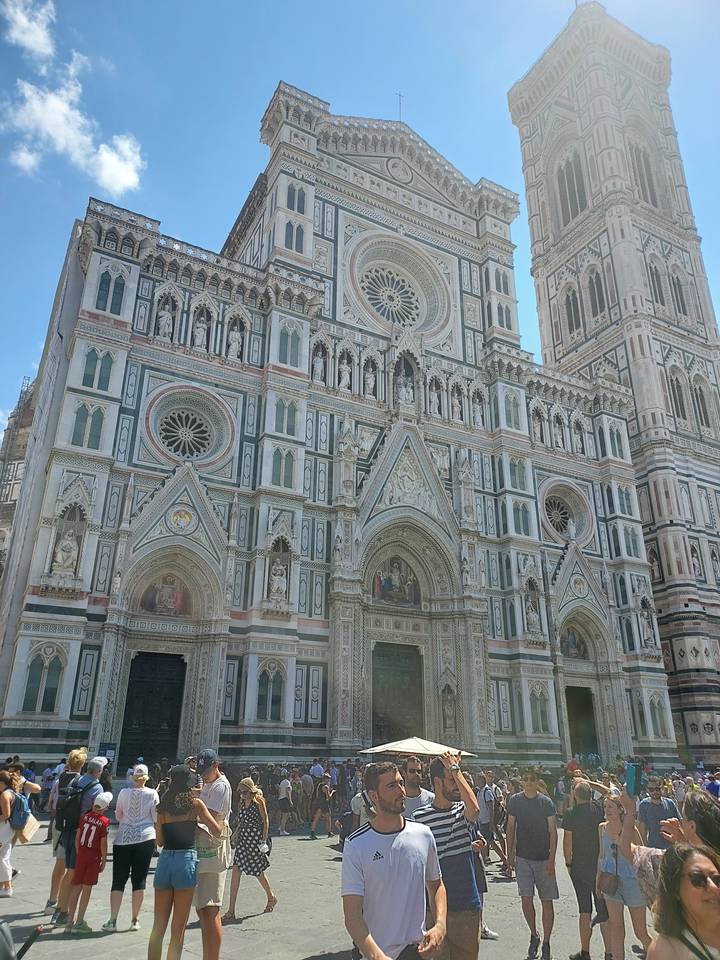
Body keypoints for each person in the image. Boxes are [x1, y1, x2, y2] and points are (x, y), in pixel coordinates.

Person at [341, 761, 447, 960]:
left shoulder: (423, 834)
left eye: (401, 783)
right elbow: (352, 915)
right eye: (391, 786)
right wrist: (377, 956)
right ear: (374, 796)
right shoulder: (356, 845)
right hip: (376, 953)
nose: (401, 791)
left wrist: (440, 924)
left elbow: (436, 885)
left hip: (418, 951)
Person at [414, 752, 488, 958]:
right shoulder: (419, 818)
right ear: (437, 783)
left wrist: (456, 771)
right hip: (432, 910)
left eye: (458, 780)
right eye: (451, 780)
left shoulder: (462, 811)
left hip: (465, 906)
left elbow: (474, 809)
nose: (457, 784)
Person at [149, 764, 221, 960]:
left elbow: (160, 841)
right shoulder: (195, 804)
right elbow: (217, 829)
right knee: (178, 929)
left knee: (158, 927)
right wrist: (197, 827)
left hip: (165, 862)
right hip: (185, 861)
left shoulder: (162, 807)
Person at [506, 770, 559, 960]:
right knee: (526, 899)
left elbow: (553, 832)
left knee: (547, 900)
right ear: (522, 781)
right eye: (526, 779)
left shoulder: (546, 803)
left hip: (544, 858)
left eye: (532, 780)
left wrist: (552, 860)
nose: (528, 782)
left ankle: (546, 942)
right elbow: (510, 827)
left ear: (538, 782)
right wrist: (509, 853)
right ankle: (534, 934)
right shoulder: (515, 801)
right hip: (523, 858)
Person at [49, 754, 106, 927]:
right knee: (73, 872)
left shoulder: (76, 780)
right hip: (79, 834)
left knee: (69, 869)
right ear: (99, 772)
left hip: (66, 829)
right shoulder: (97, 787)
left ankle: (60, 908)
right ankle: (62, 912)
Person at [103, 763, 160, 932]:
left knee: (118, 880)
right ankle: (135, 920)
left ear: (132, 777)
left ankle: (112, 920)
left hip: (123, 839)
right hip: (146, 839)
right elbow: (156, 817)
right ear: (147, 777)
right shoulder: (152, 794)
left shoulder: (123, 792)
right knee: (139, 880)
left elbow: (119, 815)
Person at [562, 779, 612, 960]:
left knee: (585, 909)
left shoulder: (570, 813)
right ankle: (609, 952)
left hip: (580, 868)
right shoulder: (599, 808)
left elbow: (567, 842)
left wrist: (568, 864)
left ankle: (585, 952)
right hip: (600, 865)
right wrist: (590, 782)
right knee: (603, 910)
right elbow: (609, 792)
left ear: (575, 795)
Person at [598, 794, 652, 960]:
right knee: (616, 927)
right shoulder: (602, 828)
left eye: (610, 807)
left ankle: (656, 954)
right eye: (605, 807)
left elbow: (643, 855)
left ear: (620, 809)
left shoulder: (631, 828)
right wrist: (597, 881)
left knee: (640, 931)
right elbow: (601, 856)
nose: (607, 811)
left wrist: (647, 884)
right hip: (610, 881)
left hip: (632, 881)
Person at [647, 843, 720, 960]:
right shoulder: (666, 951)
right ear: (675, 888)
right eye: (698, 879)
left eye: (717, 879)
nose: (713, 887)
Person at [193, 748, 232, 960]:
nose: (203, 775)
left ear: (216, 765)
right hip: (201, 848)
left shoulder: (220, 786)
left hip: (213, 849)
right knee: (202, 908)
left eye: (206, 771)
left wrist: (195, 804)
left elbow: (212, 819)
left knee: (211, 909)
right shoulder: (205, 783)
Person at [223, 777, 276, 922]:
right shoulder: (241, 802)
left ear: (251, 790)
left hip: (254, 840)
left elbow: (265, 820)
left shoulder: (258, 801)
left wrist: (263, 840)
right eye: (241, 792)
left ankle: (271, 897)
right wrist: (235, 833)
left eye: (245, 792)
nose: (243, 794)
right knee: (236, 870)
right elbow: (241, 821)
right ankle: (231, 910)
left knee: (257, 871)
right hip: (243, 841)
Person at [64, 791, 112, 933]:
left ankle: (69, 921)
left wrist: (79, 851)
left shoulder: (85, 817)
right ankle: (79, 922)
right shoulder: (104, 822)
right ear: (105, 807)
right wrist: (104, 859)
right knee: (87, 889)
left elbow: (78, 836)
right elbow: (103, 843)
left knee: (76, 887)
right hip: (93, 857)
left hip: (82, 855)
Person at [45, 747, 87, 913]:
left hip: (59, 825)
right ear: (83, 764)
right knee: (71, 867)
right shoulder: (82, 782)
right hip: (73, 828)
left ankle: (52, 900)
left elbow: (50, 805)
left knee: (60, 864)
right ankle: (64, 907)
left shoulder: (58, 780)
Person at [475, 772, 511, 873]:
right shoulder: (480, 791)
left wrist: (491, 822)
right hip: (482, 820)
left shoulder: (487, 791)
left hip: (486, 821)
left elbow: (491, 809)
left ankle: (505, 860)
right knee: (487, 842)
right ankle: (487, 859)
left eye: (477, 779)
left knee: (491, 842)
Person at [638, 778, 681, 849]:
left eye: (658, 789)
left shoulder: (670, 803)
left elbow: (679, 825)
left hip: (671, 847)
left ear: (662, 788)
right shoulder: (644, 805)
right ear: (647, 790)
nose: (655, 792)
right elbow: (642, 830)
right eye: (651, 789)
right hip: (653, 847)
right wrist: (645, 848)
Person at [0, 769, 21, 897]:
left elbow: (6, 814)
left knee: (2, 858)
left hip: (4, 829)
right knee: (3, 857)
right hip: (9, 829)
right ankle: (5, 886)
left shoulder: (4, 794)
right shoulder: (11, 792)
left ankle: (7, 886)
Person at [310, 772, 334, 839]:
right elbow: (328, 797)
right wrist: (332, 792)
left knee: (316, 819)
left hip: (319, 803)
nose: (329, 780)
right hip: (324, 804)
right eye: (328, 778)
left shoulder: (319, 785)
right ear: (325, 779)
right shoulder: (326, 786)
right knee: (328, 819)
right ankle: (329, 832)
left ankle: (312, 832)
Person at [278, 770, 293, 835]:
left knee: (287, 814)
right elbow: (288, 792)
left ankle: (281, 826)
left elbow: (279, 790)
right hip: (285, 799)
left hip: (281, 799)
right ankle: (282, 830)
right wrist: (290, 801)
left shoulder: (282, 782)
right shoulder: (287, 782)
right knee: (285, 815)